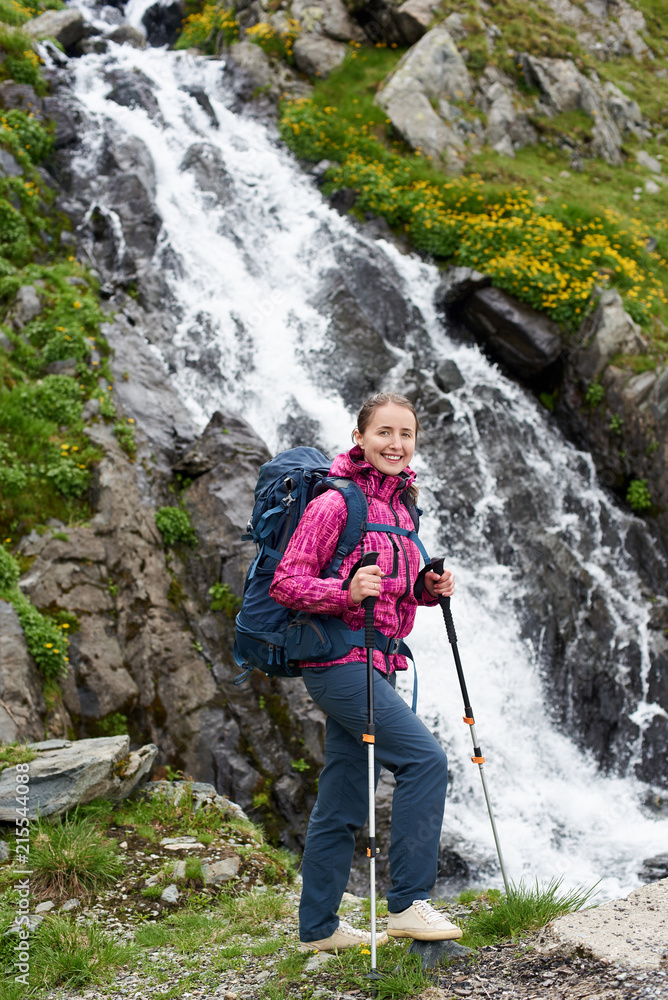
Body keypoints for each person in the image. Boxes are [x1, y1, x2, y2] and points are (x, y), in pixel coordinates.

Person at [269, 391, 462, 952]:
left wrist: (425, 591)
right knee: (425, 759)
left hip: (380, 661)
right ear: (360, 438)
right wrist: (344, 591)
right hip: (336, 660)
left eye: (406, 434)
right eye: (384, 433)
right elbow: (288, 582)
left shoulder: (405, 508)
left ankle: (318, 929)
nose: (396, 444)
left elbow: (391, 592)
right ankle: (406, 906)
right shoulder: (336, 503)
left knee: (345, 794)